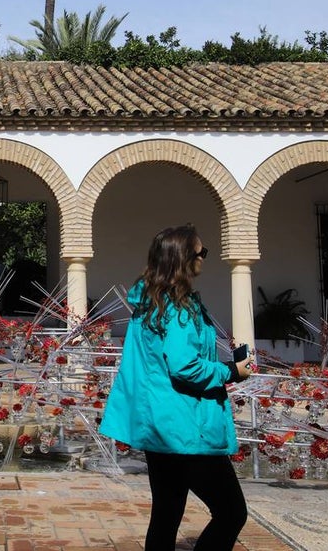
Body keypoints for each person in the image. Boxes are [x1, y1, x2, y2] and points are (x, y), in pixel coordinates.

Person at [98, 225, 252, 551]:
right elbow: (184, 367)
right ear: (184, 258)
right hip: (186, 429)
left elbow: (163, 360)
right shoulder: (179, 307)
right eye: (201, 253)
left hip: (159, 426)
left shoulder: (149, 305)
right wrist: (232, 370)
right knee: (231, 512)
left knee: (166, 515)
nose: (204, 259)